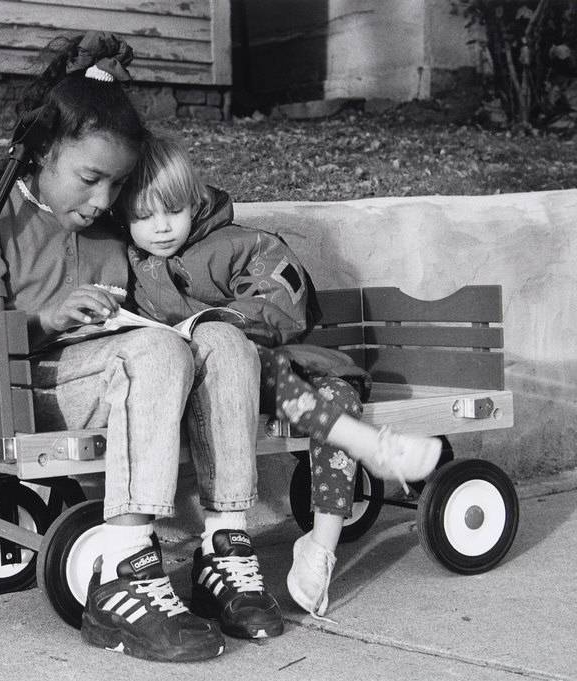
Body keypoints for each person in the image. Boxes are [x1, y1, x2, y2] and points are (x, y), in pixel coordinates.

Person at [0, 33, 283, 662]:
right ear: (40, 152)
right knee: (155, 353)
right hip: (25, 389)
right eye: (90, 179)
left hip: (122, 372)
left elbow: (192, 227)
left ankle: (224, 550)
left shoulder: (114, 230)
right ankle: (125, 572)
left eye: (116, 186)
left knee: (223, 340)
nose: (101, 203)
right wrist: (46, 318)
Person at [116, 133, 442, 621]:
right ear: (124, 218)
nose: (161, 227)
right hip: (205, 394)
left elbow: (280, 297)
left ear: (195, 201)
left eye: (174, 210)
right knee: (258, 372)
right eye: (144, 216)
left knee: (335, 394)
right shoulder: (134, 271)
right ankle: (372, 446)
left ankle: (321, 546)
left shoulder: (236, 245)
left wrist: (227, 322)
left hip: (274, 371)